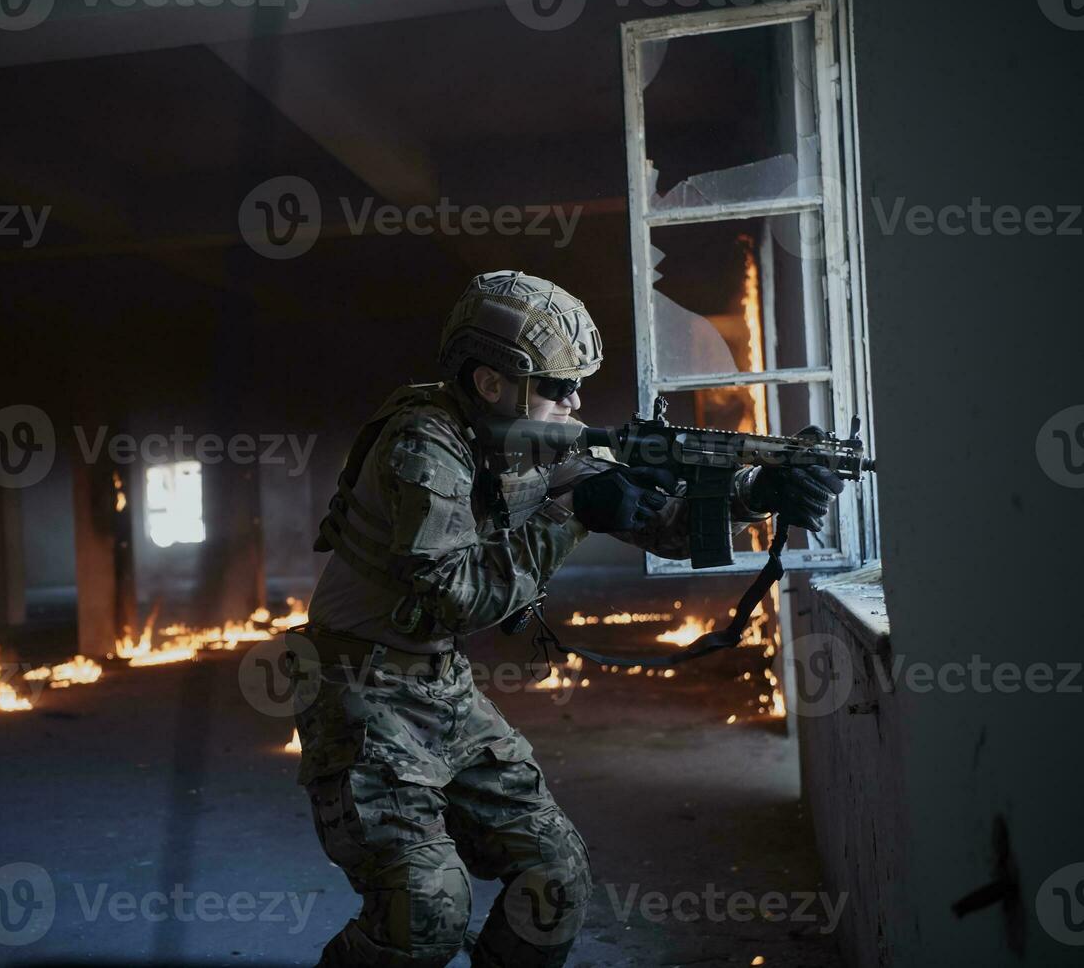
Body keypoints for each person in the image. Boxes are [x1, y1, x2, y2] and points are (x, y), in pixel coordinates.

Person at [288, 271, 842, 967]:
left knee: (554, 880)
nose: (575, 401)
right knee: (424, 907)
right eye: (557, 387)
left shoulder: (533, 441)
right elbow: (456, 597)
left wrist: (756, 489)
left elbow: (658, 519)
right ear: (493, 383)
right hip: (356, 691)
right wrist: (574, 514)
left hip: (441, 685)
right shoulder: (423, 445)